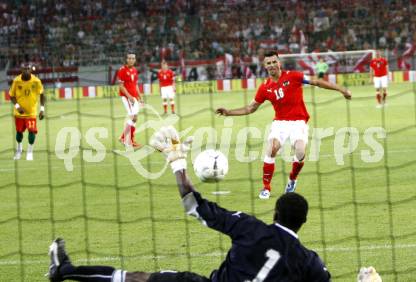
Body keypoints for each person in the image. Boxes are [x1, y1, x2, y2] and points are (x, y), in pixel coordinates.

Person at [47, 126, 331, 282]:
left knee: (136, 278)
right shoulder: (310, 262)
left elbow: (194, 206)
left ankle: (65, 271)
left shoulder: (250, 228)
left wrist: (177, 162)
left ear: (275, 212)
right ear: (303, 222)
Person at [216, 51, 351, 199]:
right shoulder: (264, 87)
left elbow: (317, 82)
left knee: (300, 152)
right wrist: (228, 112)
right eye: (269, 63)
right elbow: (250, 108)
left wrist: (341, 89)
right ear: (265, 66)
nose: (272, 65)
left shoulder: (294, 76)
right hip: (280, 123)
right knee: (271, 148)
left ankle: (292, 180)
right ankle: (266, 188)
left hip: (298, 122)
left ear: (279, 63)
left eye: (274, 62)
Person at [10, 63, 45, 161]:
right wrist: (17, 107)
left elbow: (42, 94)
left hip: (31, 113)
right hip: (19, 114)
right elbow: (11, 95)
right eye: (24, 69)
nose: (26, 70)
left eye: (28, 69)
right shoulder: (16, 81)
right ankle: (19, 150)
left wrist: (42, 109)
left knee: (32, 132)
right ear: (21, 70)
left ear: (31, 70)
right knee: (19, 134)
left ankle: (30, 153)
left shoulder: (36, 81)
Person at [117, 51, 144, 148]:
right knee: (133, 118)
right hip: (127, 97)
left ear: (135, 60)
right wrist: (129, 97)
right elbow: (121, 86)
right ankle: (129, 140)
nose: (131, 60)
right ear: (126, 59)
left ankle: (123, 137)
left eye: (133, 58)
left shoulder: (134, 70)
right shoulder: (122, 70)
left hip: (134, 97)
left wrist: (140, 97)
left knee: (135, 118)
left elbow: (135, 85)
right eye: (129, 58)